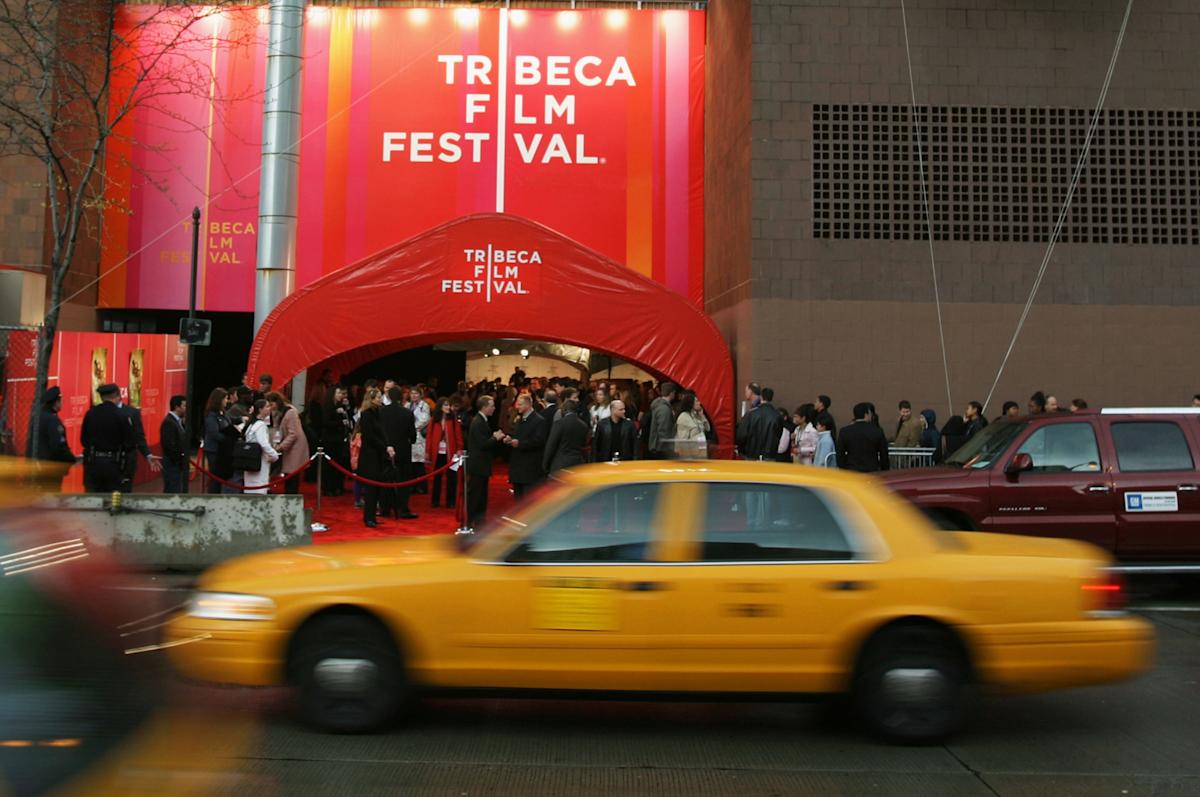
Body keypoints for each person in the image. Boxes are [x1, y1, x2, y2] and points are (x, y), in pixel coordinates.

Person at [81, 384, 134, 492]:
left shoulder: (90, 414)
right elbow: (129, 442)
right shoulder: (121, 415)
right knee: (112, 497)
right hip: (113, 463)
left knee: (93, 497)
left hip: (93, 463)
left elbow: (84, 440)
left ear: (101, 397)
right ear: (116, 395)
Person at [466, 395, 506, 526]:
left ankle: (478, 519)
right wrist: (496, 437)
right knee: (476, 494)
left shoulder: (481, 421)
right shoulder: (478, 422)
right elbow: (483, 444)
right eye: (492, 405)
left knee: (481, 494)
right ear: (484, 407)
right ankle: (473, 519)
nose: (494, 408)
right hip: (478, 465)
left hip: (481, 464)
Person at [504, 393, 548, 498]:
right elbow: (518, 435)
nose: (517, 407)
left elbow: (539, 441)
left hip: (529, 469)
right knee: (518, 499)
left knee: (528, 500)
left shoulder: (539, 420)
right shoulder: (520, 419)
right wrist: (510, 439)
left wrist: (520, 443)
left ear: (528, 405)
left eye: (520, 404)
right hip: (518, 468)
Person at [267, 392, 310, 495]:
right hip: (290, 446)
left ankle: (291, 495)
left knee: (292, 476)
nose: (270, 408)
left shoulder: (290, 412)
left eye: (271, 405)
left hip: (295, 447)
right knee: (289, 475)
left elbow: (293, 434)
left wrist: (280, 447)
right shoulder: (279, 412)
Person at [118, 391, 160, 492]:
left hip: (127, 458)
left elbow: (139, 436)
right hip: (107, 461)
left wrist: (148, 455)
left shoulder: (132, 412)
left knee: (125, 489)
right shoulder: (98, 412)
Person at [425, 397, 463, 509]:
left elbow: (458, 435)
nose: (448, 407)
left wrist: (460, 448)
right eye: (445, 405)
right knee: (436, 478)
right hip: (437, 453)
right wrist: (427, 451)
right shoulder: (434, 420)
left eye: (449, 405)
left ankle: (450, 501)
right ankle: (435, 500)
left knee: (452, 478)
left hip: (450, 452)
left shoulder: (453, 419)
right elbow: (429, 436)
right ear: (440, 406)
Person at [836, 402, 890, 473]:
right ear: (866, 414)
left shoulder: (845, 431)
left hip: (852, 470)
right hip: (872, 470)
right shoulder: (877, 431)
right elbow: (884, 454)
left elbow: (840, 454)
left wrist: (844, 468)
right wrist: (884, 469)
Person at [736, 381, 783, 461]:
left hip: (751, 455)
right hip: (770, 456)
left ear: (761, 397)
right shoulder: (777, 416)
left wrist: (741, 450)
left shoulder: (751, 414)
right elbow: (779, 435)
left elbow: (742, 435)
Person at [241, 399, 280, 495]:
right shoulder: (260, 425)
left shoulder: (251, 424)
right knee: (258, 487)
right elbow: (263, 443)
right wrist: (274, 454)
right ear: (260, 409)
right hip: (259, 461)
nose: (269, 408)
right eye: (267, 406)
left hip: (250, 459)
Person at [543, 398, 590, 474]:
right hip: (578, 464)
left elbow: (551, 445)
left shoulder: (559, 424)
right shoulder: (583, 425)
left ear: (564, 409)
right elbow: (584, 444)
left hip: (560, 464)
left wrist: (545, 464)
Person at [321, 386, 353, 496]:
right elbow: (325, 422)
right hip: (330, 439)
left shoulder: (341, 406)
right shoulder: (328, 406)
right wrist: (340, 423)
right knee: (329, 465)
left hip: (339, 439)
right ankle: (328, 487)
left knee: (338, 463)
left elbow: (348, 418)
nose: (341, 395)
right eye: (338, 393)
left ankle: (336, 486)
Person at [202, 388, 233, 493]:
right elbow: (213, 433)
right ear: (219, 400)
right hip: (214, 450)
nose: (227, 401)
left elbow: (230, 422)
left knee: (220, 476)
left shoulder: (223, 413)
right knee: (215, 476)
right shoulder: (211, 415)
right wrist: (227, 439)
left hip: (222, 450)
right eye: (225, 398)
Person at [35, 386, 76, 467]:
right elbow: (58, 447)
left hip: (39, 464)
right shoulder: (52, 420)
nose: (61, 403)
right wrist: (72, 459)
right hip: (50, 466)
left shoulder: (39, 417)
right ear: (55, 403)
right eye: (60, 401)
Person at [159, 395, 189, 493]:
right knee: (172, 490)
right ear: (177, 407)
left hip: (175, 464)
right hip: (172, 465)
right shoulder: (169, 423)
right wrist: (179, 459)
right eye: (184, 406)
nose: (186, 409)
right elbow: (169, 446)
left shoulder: (177, 422)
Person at [674, 390, 710, 459]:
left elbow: (707, 429)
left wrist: (702, 416)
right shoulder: (683, 417)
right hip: (691, 455)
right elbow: (682, 440)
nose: (699, 403)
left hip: (701, 452)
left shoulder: (696, 415)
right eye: (696, 401)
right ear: (691, 403)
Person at [646, 382, 678, 459]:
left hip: (657, 446)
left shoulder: (659, 406)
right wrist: (669, 447)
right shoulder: (664, 409)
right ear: (671, 393)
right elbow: (663, 430)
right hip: (661, 448)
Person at [408, 387, 431, 493]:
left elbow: (425, 419)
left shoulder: (424, 406)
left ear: (420, 395)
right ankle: (412, 486)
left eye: (416, 393)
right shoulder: (408, 405)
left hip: (419, 435)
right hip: (410, 435)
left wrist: (413, 427)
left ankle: (422, 486)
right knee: (411, 463)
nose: (414, 395)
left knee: (419, 464)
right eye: (412, 393)